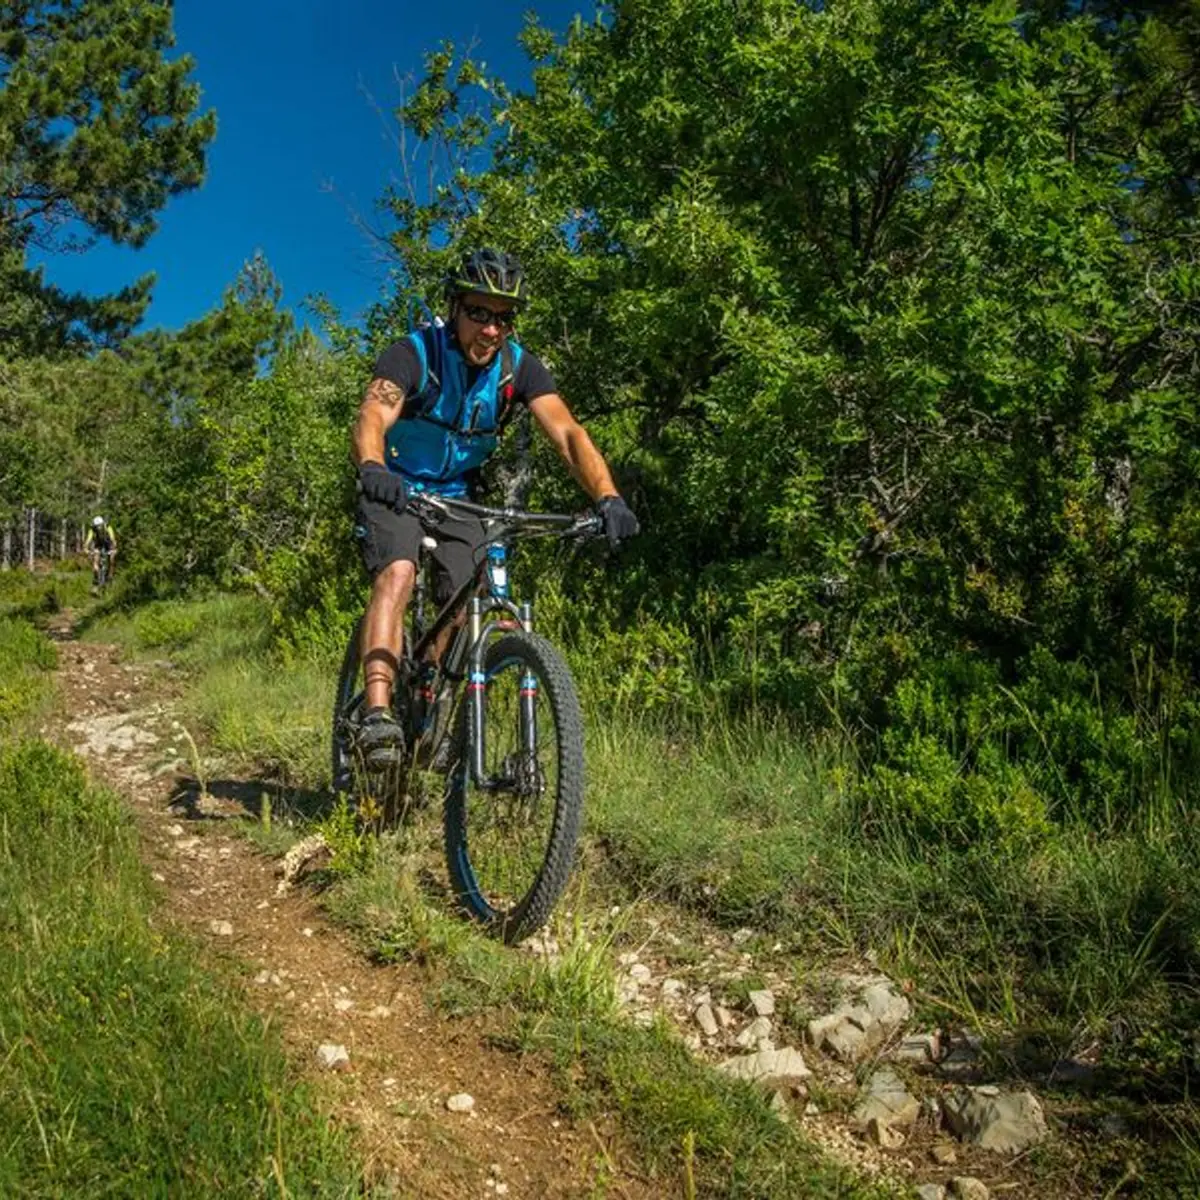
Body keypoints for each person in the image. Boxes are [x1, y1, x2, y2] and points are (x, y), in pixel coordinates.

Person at [351, 247, 639, 765]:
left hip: (456, 496)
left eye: (503, 319)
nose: (490, 329)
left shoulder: (517, 367)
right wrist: (373, 466)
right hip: (395, 485)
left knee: (468, 596)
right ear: (455, 308)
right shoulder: (415, 354)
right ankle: (376, 714)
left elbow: (568, 434)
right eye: (479, 313)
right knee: (398, 572)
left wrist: (608, 496)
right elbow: (373, 412)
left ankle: (430, 704)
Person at [83, 515, 118, 584]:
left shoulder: (107, 527)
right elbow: (88, 540)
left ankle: (110, 577)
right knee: (96, 559)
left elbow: (112, 539)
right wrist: (86, 548)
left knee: (112, 560)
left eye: (100, 526)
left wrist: (114, 548)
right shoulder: (92, 529)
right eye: (97, 526)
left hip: (109, 544)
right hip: (98, 544)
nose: (99, 528)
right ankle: (96, 577)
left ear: (103, 524)